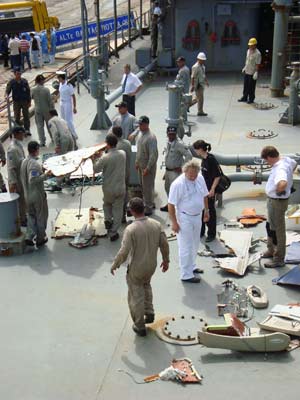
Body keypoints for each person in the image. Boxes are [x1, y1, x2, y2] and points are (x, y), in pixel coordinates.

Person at [111, 197, 169, 336]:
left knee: (135, 294)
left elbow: (124, 252)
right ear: (143, 208)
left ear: (131, 211)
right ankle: (149, 312)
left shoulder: (131, 229)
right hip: (151, 266)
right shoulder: (156, 224)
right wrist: (166, 260)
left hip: (137, 268)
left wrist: (115, 264)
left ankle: (139, 325)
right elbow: (164, 244)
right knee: (146, 285)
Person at [168, 160, 209, 283]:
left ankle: (192, 266)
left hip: (198, 215)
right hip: (184, 217)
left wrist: (206, 211)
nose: (193, 177)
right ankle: (186, 274)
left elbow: (205, 195)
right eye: (190, 175)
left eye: (195, 175)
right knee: (185, 246)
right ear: (184, 172)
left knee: (195, 243)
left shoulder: (199, 178)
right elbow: (171, 204)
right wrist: (174, 223)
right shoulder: (178, 184)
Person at [261, 146, 297, 268]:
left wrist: (278, 190)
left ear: (271, 157)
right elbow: (294, 163)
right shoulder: (286, 160)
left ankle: (279, 258)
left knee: (278, 230)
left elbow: (282, 183)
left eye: (267, 160)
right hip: (274, 201)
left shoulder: (280, 168)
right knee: (270, 225)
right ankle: (271, 250)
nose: (267, 163)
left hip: (277, 201)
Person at [93, 134, 126, 241]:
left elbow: (96, 169)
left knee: (107, 204)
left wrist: (94, 158)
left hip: (108, 188)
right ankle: (113, 232)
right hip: (120, 187)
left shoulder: (105, 158)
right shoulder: (123, 154)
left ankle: (107, 220)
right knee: (118, 209)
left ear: (107, 144)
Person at [20, 141, 51, 247]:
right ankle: (40, 238)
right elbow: (32, 180)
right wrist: (46, 175)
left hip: (27, 195)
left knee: (31, 216)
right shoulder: (34, 163)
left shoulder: (24, 161)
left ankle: (29, 236)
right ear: (36, 150)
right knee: (41, 216)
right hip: (37, 195)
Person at [193, 140, 221, 242]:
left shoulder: (211, 160)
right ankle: (201, 231)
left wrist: (212, 189)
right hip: (203, 190)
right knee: (202, 210)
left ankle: (211, 234)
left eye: (196, 149)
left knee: (210, 212)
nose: (195, 151)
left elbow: (217, 176)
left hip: (209, 191)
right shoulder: (204, 159)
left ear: (200, 149)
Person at [160, 126, 192, 212]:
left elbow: (189, 155)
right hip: (168, 170)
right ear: (167, 134)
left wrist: (183, 167)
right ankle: (170, 204)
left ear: (176, 134)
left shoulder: (179, 144)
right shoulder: (168, 142)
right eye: (170, 134)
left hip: (175, 172)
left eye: (173, 134)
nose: (171, 136)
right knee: (167, 188)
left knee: (175, 190)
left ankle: (177, 207)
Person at [134, 116, 158, 216]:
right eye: (139, 124)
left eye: (141, 124)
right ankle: (149, 202)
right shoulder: (140, 134)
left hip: (147, 167)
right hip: (140, 165)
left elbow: (153, 155)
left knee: (147, 187)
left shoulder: (151, 137)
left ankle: (148, 208)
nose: (139, 126)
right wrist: (136, 162)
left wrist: (147, 168)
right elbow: (138, 150)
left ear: (147, 124)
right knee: (143, 186)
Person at [7, 126, 27, 225]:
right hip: (16, 178)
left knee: (23, 198)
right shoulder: (12, 149)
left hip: (21, 176)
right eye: (22, 134)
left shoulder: (18, 145)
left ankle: (24, 216)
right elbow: (11, 167)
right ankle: (21, 220)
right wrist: (13, 182)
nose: (23, 135)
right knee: (19, 200)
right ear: (17, 134)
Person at [5, 68, 31, 136]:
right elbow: (7, 91)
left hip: (24, 101)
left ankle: (27, 129)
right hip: (16, 102)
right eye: (17, 74)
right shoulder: (12, 82)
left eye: (19, 74)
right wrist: (7, 96)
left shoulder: (24, 81)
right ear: (15, 74)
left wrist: (29, 101)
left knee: (26, 116)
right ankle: (18, 130)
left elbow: (28, 92)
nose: (18, 75)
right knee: (17, 116)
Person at [31, 74, 54, 146]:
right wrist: (52, 110)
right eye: (43, 80)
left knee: (40, 126)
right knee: (49, 125)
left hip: (37, 110)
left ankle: (42, 141)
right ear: (41, 81)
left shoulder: (33, 89)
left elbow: (31, 97)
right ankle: (52, 138)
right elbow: (50, 101)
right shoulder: (46, 90)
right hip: (46, 110)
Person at [238, 37, 261, 104]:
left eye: (251, 45)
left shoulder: (258, 54)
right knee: (246, 85)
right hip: (247, 71)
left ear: (255, 45)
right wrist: (244, 67)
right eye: (249, 45)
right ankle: (244, 97)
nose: (250, 46)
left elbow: (257, 64)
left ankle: (251, 98)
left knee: (251, 86)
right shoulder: (248, 51)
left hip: (252, 72)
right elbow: (247, 60)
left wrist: (256, 72)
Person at [57, 71, 78, 140]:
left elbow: (73, 96)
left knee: (68, 120)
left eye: (59, 78)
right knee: (62, 119)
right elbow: (61, 93)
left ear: (61, 78)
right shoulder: (60, 84)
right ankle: (66, 134)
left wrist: (74, 107)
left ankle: (74, 134)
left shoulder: (69, 85)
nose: (58, 79)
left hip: (67, 103)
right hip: (62, 103)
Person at [191, 52, 209, 116]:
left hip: (201, 84)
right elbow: (192, 77)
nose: (203, 61)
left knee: (197, 98)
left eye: (203, 60)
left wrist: (206, 81)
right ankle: (200, 111)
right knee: (200, 98)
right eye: (201, 60)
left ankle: (186, 106)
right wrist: (192, 85)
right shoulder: (195, 67)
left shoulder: (203, 66)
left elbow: (203, 75)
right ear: (198, 59)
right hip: (198, 85)